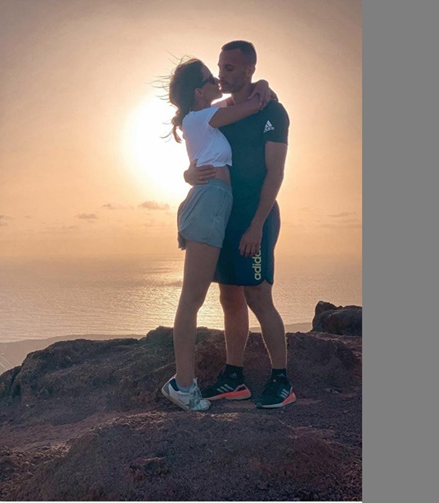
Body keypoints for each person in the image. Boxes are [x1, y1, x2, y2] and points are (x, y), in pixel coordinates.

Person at [184, 40, 295, 409]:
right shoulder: (222, 110)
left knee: (258, 296)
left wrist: (256, 225)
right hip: (224, 217)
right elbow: (201, 148)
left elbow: (276, 172)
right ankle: (234, 378)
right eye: (220, 67)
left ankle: (282, 380)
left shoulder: (272, 112)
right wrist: (188, 173)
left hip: (256, 217)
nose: (222, 74)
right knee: (229, 297)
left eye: (229, 68)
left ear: (249, 69)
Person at [160, 57, 273, 412]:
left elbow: (242, 100)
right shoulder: (201, 118)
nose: (217, 81)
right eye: (211, 78)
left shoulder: (204, 117)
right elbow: (251, 105)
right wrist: (261, 90)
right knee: (191, 298)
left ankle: (185, 383)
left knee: (201, 297)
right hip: (209, 203)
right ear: (198, 91)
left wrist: (262, 83)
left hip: (216, 203)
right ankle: (183, 385)